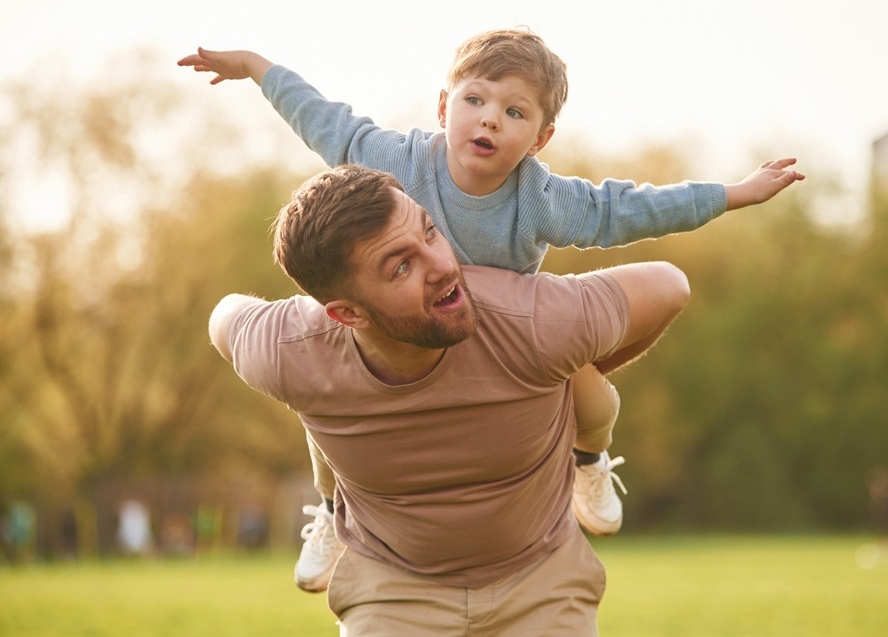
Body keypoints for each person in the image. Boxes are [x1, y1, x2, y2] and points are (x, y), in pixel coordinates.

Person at [179, 28, 805, 590]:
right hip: (400, 333)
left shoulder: (542, 199)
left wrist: (732, 194)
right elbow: (323, 120)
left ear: (540, 138)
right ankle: (334, 511)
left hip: (500, 340)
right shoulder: (395, 161)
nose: (490, 120)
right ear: (444, 106)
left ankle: (588, 462)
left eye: (514, 112)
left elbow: (629, 209)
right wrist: (255, 66)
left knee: (596, 402)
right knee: (326, 422)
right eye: (475, 100)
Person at [209, 164, 697, 635]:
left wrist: (563, 376)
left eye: (430, 232)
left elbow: (670, 286)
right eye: (402, 266)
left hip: (542, 577)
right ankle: (331, 508)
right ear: (347, 314)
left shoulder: (529, 320)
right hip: (391, 590)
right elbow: (224, 319)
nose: (444, 266)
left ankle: (590, 459)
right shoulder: (289, 351)